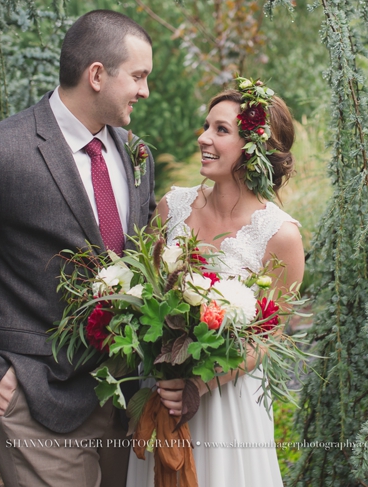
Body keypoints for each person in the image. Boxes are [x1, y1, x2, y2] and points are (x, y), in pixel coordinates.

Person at [0, 10, 156, 487]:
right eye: (139, 76)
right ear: (97, 75)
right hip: (37, 400)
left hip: (124, 399)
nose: (145, 91)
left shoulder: (135, 151)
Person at [125, 81, 305, 487]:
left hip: (228, 401)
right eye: (207, 126)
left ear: (254, 146)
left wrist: (198, 384)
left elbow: (269, 336)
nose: (204, 137)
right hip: (162, 390)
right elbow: (144, 292)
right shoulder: (173, 207)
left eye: (221, 130)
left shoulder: (280, 235)